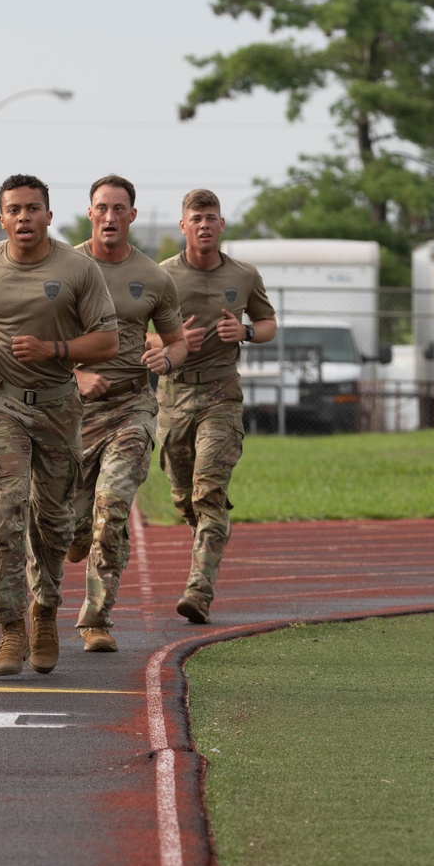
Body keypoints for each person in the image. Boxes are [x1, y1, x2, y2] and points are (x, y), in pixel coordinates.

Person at [0, 173, 118, 677]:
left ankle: (45, 612)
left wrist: (54, 350)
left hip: (59, 406)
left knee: (54, 521)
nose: (24, 217)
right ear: (2, 218)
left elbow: (107, 341)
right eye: (14, 209)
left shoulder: (78, 268)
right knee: (6, 509)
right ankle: (11, 628)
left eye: (33, 208)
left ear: (48, 214)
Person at [69, 175, 188, 651]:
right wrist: (76, 376)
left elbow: (177, 342)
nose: (111, 216)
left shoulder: (155, 278)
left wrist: (167, 358)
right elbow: (33, 340)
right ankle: (77, 533)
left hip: (132, 407)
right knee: (68, 523)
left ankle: (96, 619)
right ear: (90, 212)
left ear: (132, 215)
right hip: (71, 412)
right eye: (102, 208)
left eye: (120, 208)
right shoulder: (66, 267)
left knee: (112, 508)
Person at [151, 188, 276, 624]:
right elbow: (130, 333)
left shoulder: (243, 275)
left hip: (222, 394)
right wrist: (172, 342)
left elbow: (267, 323)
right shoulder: (161, 276)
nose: (205, 225)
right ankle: (209, 527)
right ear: (183, 226)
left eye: (212, 218)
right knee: (185, 496)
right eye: (196, 218)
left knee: (209, 490)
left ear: (222, 226)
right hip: (174, 394)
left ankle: (198, 591)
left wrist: (243, 334)